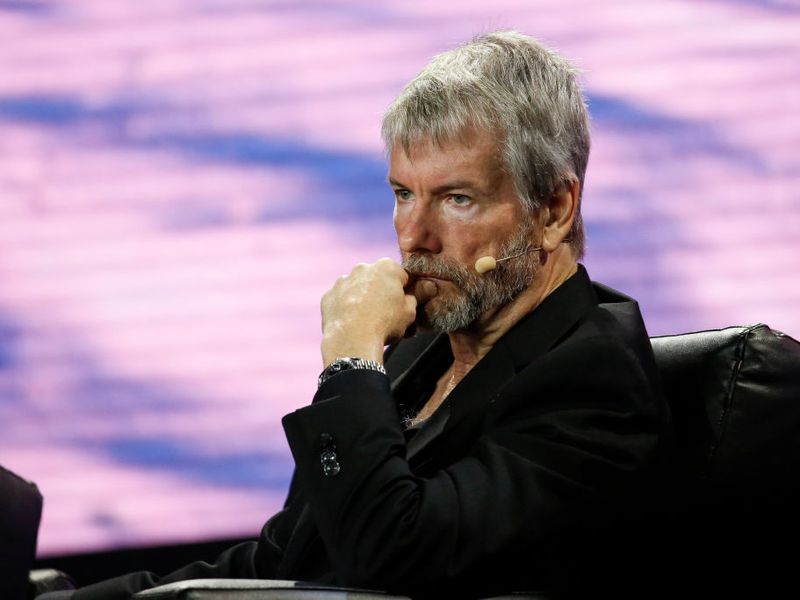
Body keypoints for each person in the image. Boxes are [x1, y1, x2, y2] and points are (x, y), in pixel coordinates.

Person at [41, 30, 670, 600]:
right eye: (403, 193)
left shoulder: (595, 382)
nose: (414, 236)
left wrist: (350, 362)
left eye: (457, 199)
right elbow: (285, 561)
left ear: (554, 211)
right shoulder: (422, 352)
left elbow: (391, 558)